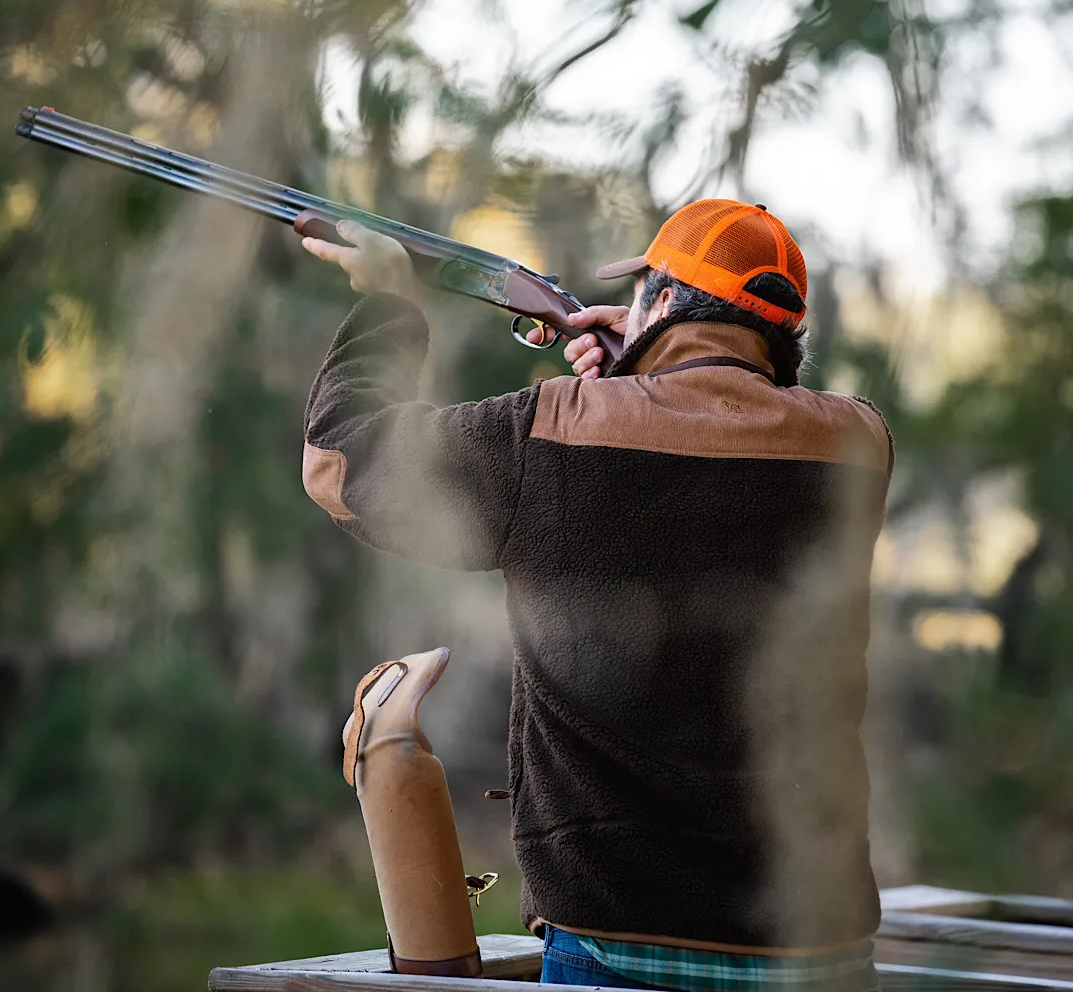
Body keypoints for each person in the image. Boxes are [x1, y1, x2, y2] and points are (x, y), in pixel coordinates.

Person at [300, 200, 892, 992]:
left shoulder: (556, 428)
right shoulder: (859, 444)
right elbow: (735, 429)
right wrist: (653, 371)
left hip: (619, 934)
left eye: (646, 285)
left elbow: (343, 463)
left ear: (667, 301)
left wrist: (390, 304)